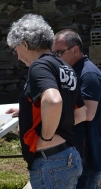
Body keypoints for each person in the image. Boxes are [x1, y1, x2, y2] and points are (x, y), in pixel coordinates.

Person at [6, 14, 87, 188]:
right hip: (68, 156)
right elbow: (81, 113)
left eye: (16, 50)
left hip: (50, 160)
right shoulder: (65, 67)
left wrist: (46, 136)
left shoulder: (39, 66)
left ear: (25, 44)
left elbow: (53, 101)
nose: (18, 56)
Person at [53, 29, 101, 189]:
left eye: (59, 52)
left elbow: (87, 113)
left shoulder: (88, 74)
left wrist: (51, 122)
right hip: (78, 149)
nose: (56, 58)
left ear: (75, 50)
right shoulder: (71, 71)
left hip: (88, 153)